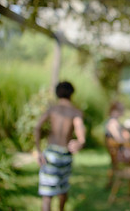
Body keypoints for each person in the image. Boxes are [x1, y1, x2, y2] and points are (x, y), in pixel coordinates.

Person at [34, 81, 86, 211]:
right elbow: (81, 136)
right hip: (65, 154)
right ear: (71, 94)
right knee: (63, 190)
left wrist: (39, 150)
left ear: (57, 93)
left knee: (47, 195)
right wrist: (79, 143)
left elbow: (37, 127)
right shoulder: (75, 112)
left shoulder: (52, 109)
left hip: (51, 154)